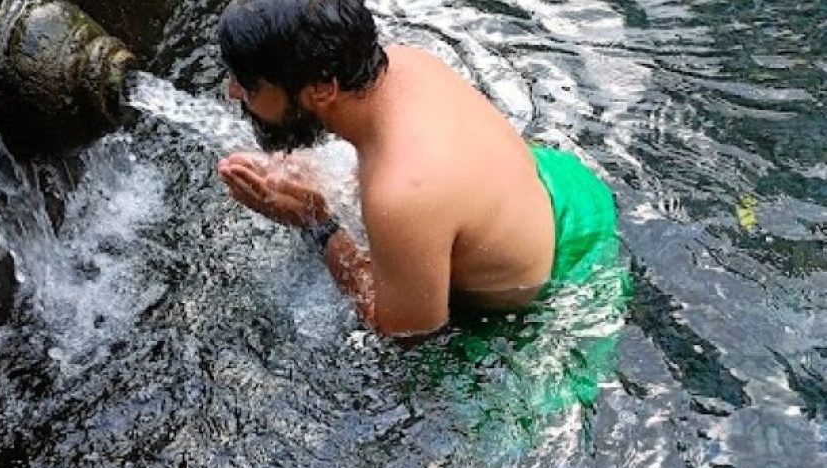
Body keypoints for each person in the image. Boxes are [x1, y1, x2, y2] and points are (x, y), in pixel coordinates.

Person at [216, 0, 619, 339]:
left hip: (561, 283)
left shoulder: (403, 193)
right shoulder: (406, 64)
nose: (234, 92)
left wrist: (316, 223)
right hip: (566, 189)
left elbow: (407, 335)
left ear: (322, 90)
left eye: (250, 86)